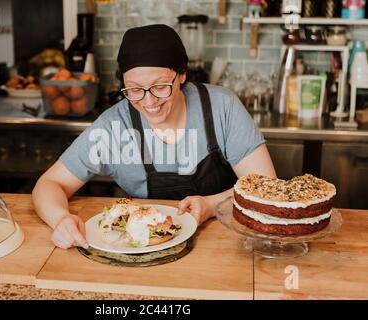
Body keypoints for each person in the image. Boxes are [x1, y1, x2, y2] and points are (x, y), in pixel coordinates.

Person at [32, 24, 276, 250]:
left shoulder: (221, 107)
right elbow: (50, 184)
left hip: (223, 245)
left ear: (181, 75)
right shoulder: (114, 126)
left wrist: (211, 205)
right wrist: (60, 219)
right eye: (135, 90)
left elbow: (265, 185)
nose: (149, 102)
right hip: (141, 252)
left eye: (160, 87)